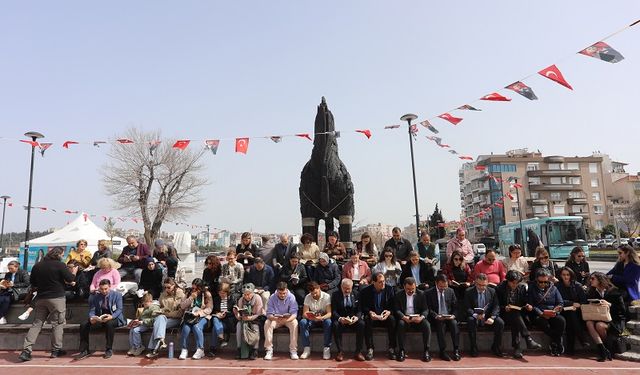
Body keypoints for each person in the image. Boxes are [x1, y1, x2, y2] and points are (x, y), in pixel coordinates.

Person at [18, 247, 75, 362]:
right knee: (57, 324)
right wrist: (74, 272)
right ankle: (56, 350)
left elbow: (33, 282)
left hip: (41, 297)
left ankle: (26, 350)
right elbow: (70, 279)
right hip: (57, 298)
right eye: (62, 255)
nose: (63, 257)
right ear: (58, 254)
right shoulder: (60, 265)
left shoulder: (37, 266)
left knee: (37, 324)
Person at [496, 270, 541, 359]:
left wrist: (528, 305)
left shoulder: (522, 287)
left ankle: (518, 348)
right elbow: (496, 305)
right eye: (512, 282)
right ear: (507, 280)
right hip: (504, 314)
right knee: (515, 315)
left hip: (518, 314)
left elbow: (524, 301)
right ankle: (527, 340)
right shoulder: (500, 288)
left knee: (515, 317)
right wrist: (504, 307)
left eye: (517, 283)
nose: (515, 285)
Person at [76, 279, 126, 360]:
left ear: (110, 287)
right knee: (84, 324)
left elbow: (119, 309)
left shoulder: (117, 295)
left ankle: (108, 349)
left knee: (109, 324)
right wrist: (92, 317)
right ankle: (84, 350)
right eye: (102, 289)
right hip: (100, 317)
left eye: (106, 289)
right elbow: (92, 310)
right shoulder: (95, 297)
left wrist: (112, 317)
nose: (104, 291)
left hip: (114, 317)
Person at [585, 272, 626, 361]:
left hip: (614, 319)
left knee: (599, 325)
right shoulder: (592, 292)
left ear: (600, 280)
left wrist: (609, 304)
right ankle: (603, 350)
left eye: (593, 279)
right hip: (599, 317)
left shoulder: (614, 291)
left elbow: (622, 310)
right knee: (589, 322)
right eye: (590, 279)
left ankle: (606, 347)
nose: (590, 281)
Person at [464, 273, 505, 357]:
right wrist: (475, 315)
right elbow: (467, 307)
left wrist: (492, 317)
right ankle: (473, 347)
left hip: (487, 316)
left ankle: (496, 346)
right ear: (475, 283)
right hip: (475, 316)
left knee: (500, 322)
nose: (482, 287)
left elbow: (496, 306)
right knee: (470, 321)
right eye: (479, 285)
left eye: (484, 285)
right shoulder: (469, 292)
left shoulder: (492, 291)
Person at [360, 272, 397, 361]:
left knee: (392, 320)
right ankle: (370, 348)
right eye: (380, 282)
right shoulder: (366, 291)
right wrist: (370, 312)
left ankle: (392, 348)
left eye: (384, 281)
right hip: (373, 316)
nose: (383, 283)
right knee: (366, 320)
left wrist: (389, 312)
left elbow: (394, 305)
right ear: (374, 282)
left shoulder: (389, 289)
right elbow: (363, 306)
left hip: (385, 316)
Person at [528, 268, 566, 356]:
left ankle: (554, 343)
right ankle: (557, 341)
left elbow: (560, 302)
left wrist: (556, 310)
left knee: (561, 321)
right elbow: (531, 304)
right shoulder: (531, 288)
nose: (543, 284)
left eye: (545, 282)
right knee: (543, 323)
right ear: (536, 280)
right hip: (538, 313)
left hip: (552, 312)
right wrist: (541, 313)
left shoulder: (554, 288)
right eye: (540, 282)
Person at [146, 278, 186, 358]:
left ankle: (154, 349)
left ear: (174, 286)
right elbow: (159, 305)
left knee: (158, 323)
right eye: (165, 287)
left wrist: (166, 314)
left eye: (168, 287)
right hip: (163, 317)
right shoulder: (163, 294)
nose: (166, 289)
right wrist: (156, 309)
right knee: (159, 320)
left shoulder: (181, 295)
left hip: (176, 319)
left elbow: (180, 313)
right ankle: (160, 340)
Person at [394, 277, 431, 362]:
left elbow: (426, 309)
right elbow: (397, 310)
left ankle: (426, 350)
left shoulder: (421, 294)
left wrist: (421, 317)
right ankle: (401, 350)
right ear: (404, 287)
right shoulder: (398, 294)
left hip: (418, 318)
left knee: (427, 325)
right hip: (405, 318)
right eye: (408, 289)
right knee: (400, 324)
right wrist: (404, 317)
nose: (410, 291)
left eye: (413, 289)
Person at [425, 274, 461, 361]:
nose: (443, 289)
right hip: (437, 318)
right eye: (441, 286)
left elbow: (456, 307)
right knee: (440, 325)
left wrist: (453, 315)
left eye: (445, 286)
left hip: (448, 316)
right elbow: (428, 308)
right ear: (436, 283)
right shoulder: (429, 293)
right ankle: (443, 351)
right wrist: (436, 316)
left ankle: (456, 350)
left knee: (454, 324)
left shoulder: (450, 291)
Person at [555, 266, 589, 355]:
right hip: (562, 310)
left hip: (576, 311)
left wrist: (577, 305)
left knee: (571, 316)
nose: (566, 277)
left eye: (568, 275)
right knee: (571, 316)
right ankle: (582, 340)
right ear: (560, 276)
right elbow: (558, 300)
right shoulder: (557, 286)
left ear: (571, 275)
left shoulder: (577, 286)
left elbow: (583, 301)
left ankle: (571, 348)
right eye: (563, 275)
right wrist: (571, 303)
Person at [178, 278, 212, 360]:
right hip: (190, 316)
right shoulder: (189, 293)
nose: (194, 290)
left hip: (203, 316)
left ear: (201, 288)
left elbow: (209, 309)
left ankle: (200, 349)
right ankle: (184, 349)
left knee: (196, 327)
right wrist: (191, 298)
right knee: (186, 328)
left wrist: (200, 313)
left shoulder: (207, 294)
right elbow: (182, 306)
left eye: (196, 288)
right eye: (193, 288)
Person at [331, 279, 365, 362]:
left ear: (352, 287)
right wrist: (340, 318)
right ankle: (340, 352)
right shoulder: (335, 295)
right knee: (335, 325)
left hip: (353, 319)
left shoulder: (357, 294)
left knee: (362, 324)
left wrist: (356, 317)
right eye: (345, 288)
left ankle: (358, 352)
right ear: (341, 287)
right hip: (341, 319)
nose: (347, 290)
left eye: (349, 288)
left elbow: (360, 310)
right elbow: (334, 311)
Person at [264, 282, 298, 360]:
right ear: (277, 291)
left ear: (287, 290)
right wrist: (275, 318)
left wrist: (286, 320)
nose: (282, 295)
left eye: (284, 293)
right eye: (280, 293)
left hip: (288, 319)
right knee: (267, 323)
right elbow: (269, 314)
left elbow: (294, 314)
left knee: (295, 323)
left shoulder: (291, 297)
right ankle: (269, 350)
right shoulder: (272, 297)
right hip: (276, 319)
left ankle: (293, 350)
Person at [299, 282, 333, 360]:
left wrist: (322, 318)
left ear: (319, 289)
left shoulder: (326, 296)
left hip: (323, 318)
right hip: (312, 319)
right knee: (303, 322)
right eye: (312, 293)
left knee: (329, 322)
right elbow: (304, 314)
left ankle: (326, 348)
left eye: (315, 293)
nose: (314, 295)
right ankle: (306, 348)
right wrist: (312, 316)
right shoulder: (308, 297)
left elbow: (329, 313)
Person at [235, 283, 264, 360]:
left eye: (249, 294)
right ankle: (239, 348)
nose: (247, 296)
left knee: (255, 327)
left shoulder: (257, 298)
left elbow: (258, 313)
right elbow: (239, 312)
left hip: (255, 319)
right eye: (245, 294)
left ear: (253, 293)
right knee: (238, 326)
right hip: (243, 319)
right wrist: (238, 315)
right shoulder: (241, 299)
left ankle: (255, 350)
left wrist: (250, 318)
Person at [127, 292, 160, 357]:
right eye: (144, 302)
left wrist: (143, 322)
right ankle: (133, 347)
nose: (144, 304)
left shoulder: (154, 308)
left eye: (146, 302)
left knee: (136, 330)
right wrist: (138, 320)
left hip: (148, 325)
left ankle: (139, 346)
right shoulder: (146, 307)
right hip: (143, 323)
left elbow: (153, 320)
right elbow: (143, 316)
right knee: (132, 329)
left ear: (150, 301)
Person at [207, 282, 235, 357]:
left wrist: (226, 314)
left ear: (227, 293)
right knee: (215, 320)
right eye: (220, 293)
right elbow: (213, 311)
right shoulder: (216, 299)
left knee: (215, 328)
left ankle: (213, 348)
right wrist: (217, 313)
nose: (221, 295)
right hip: (218, 321)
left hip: (228, 321)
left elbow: (234, 312)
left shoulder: (232, 299)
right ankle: (221, 338)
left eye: (223, 293)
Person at [0, 260, 30, 325]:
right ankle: (1, 317)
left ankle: (1, 317)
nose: (10, 270)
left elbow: (27, 283)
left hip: (19, 292)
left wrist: (14, 285)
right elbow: (6, 282)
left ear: (16, 267)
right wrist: (3, 285)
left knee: (6, 300)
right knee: (1, 298)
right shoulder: (8, 274)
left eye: (11, 268)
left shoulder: (23, 272)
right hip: (9, 291)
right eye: (9, 268)